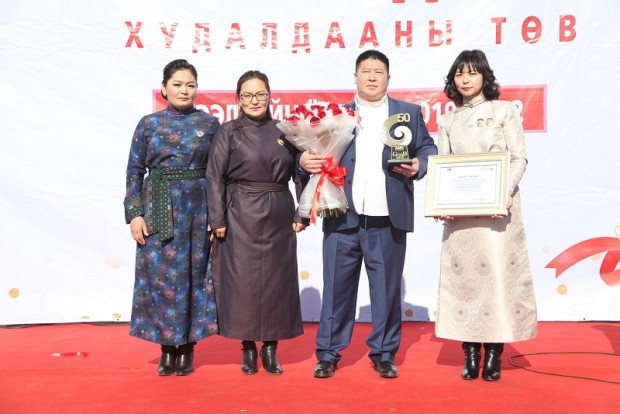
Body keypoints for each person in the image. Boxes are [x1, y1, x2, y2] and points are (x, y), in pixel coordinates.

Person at [300, 50, 438, 378]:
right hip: (342, 215)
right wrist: (303, 161)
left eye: (379, 71)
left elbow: (428, 148)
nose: (372, 76)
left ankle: (384, 353)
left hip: (388, 218)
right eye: (366, 71)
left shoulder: (408, 113)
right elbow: (311, 152)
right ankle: (328, 353)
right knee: (336, 290)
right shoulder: (337, 114)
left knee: (386, 291)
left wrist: (420, 165)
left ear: (389, 77)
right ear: (355, 77)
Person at [434, 49, 538, 381]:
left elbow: (519, 157)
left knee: (496, 280)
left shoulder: (504, 110)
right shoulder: (447, 120)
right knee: (465, 283)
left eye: (472, 73)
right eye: (459, 74)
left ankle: (494, 353)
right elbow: (444, 166)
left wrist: (503, 192)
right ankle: (469, 353)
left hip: (498, 212)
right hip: (462, 217)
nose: (465, 79)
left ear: (484, 76)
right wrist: (439, 203)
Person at [206, 70, 309, 375]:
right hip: (239, 215)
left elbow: (300, 173)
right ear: (238, 99)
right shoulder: (228, 131)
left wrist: (302, 212)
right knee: (244, 283)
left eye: (260, 94)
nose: (254, 100)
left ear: (269, 96)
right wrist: (217, 218)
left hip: (279, 215)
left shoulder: (286, 131)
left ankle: (271, 349)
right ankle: (248, 347)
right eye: (248, 95)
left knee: (277, 283)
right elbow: (214, 177)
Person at [124, 59, 220, 376]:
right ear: (164, 88)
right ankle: (166, 348)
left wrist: (217, 214)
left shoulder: (210, 124)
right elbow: (134, 171)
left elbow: (219, 173)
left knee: (195, 276)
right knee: (161, 278)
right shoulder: (148, 124)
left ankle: (189, 346)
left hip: (198, 209)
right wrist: (135, 214)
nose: (183, 90)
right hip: (157, 208)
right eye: (177, 84)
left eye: (190, 85)